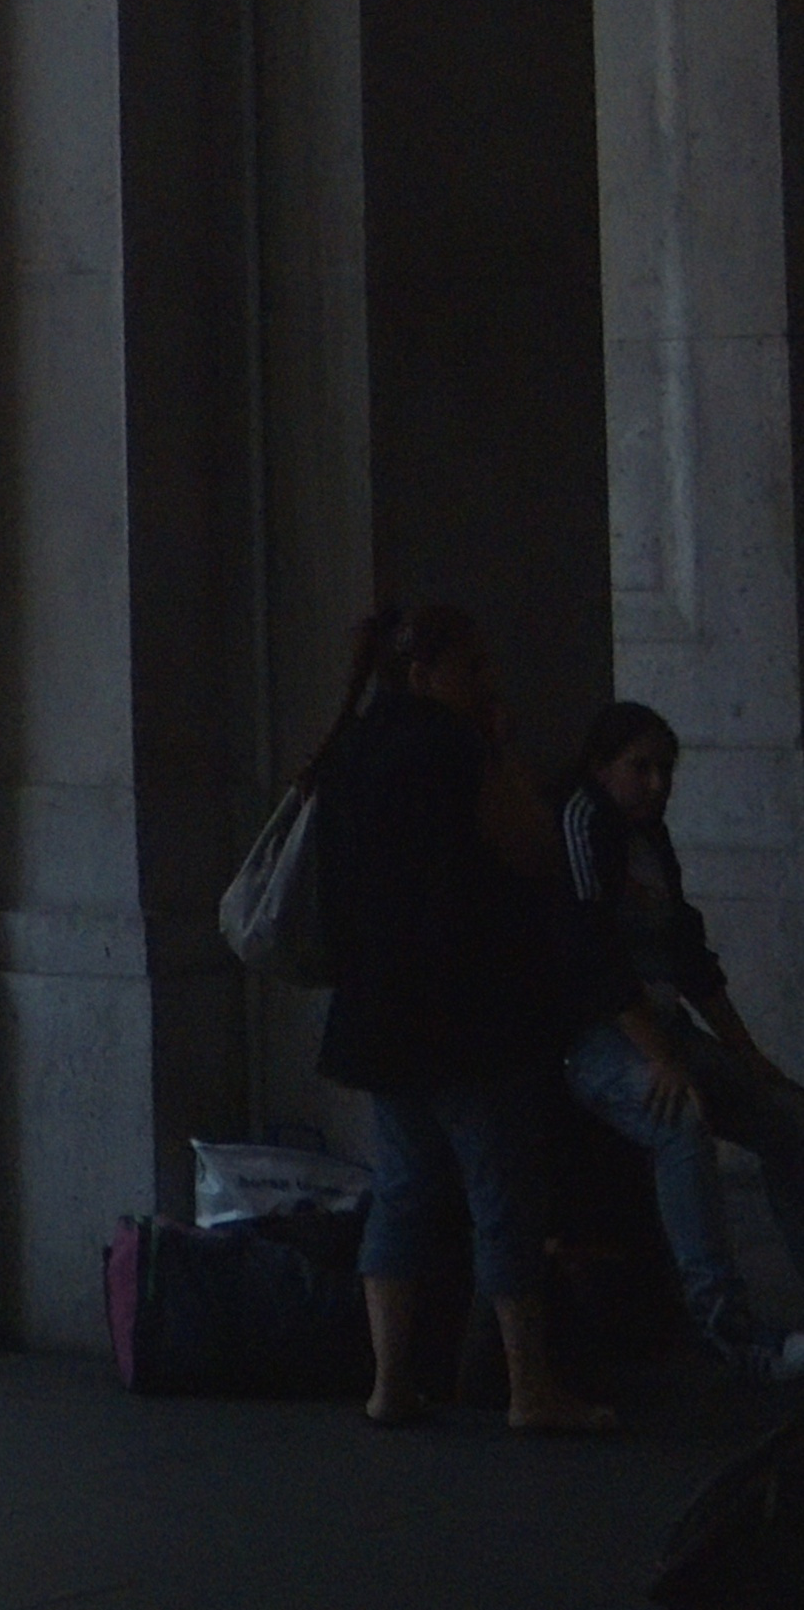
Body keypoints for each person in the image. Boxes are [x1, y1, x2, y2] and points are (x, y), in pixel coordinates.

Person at [312, 602, 614, 1433]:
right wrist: (502, 747)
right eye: (473, 667)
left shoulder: (351, 747)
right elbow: (534, 847)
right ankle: (528, 1385)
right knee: (503, 1194)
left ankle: (390, 1380)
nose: (488, 681)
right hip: (471, 1014)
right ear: (426, 674)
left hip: (380, 1016)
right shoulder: (454, 748)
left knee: (404, 1192)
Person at [557, 700, 804, 1386]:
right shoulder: (585, 824)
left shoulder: (651, 839)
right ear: (602, 767)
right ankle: (725, 1326)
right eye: (641, 768)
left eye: (666, 769)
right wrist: (662, 1059)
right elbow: (592, 959)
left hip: (663, 1028)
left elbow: (689, 955)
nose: (658, 784)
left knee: (785, 1118)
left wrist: (749, 1057)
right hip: (601, 1038)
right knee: (680, 1123)